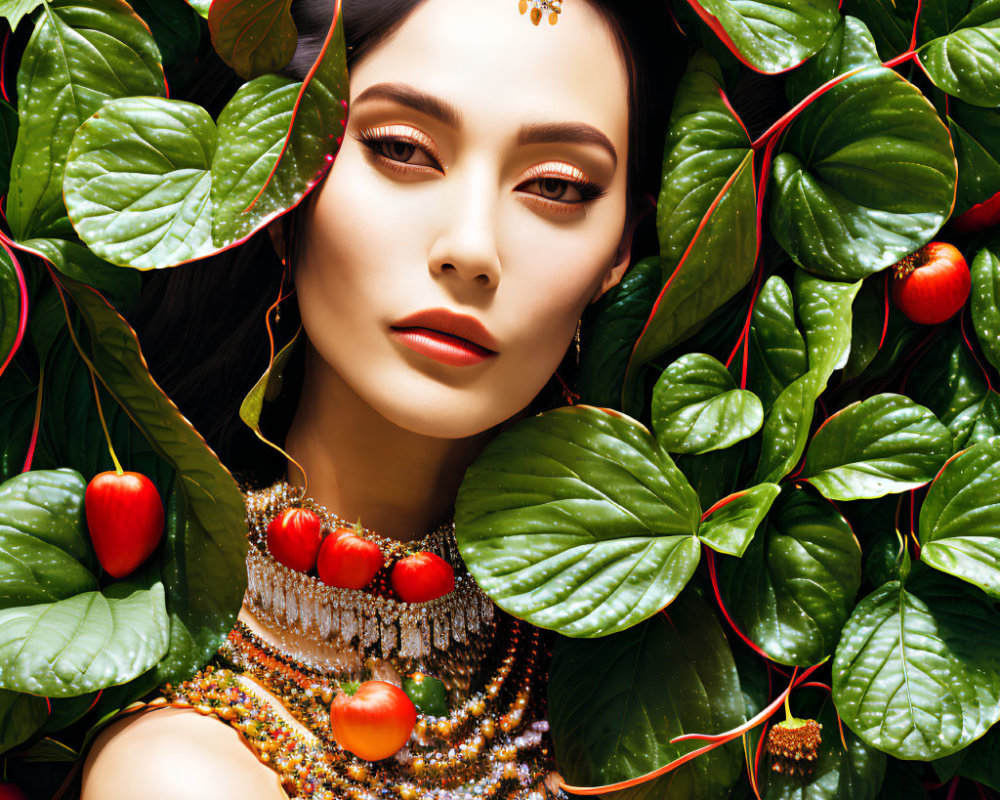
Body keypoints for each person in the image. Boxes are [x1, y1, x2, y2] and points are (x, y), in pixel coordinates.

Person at [79, 0, 670, 797]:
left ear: (619, 255)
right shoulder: (180, 769)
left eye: (557, 187)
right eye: (403, 149)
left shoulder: (657, 687)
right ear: (287, 185)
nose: (469, 248)